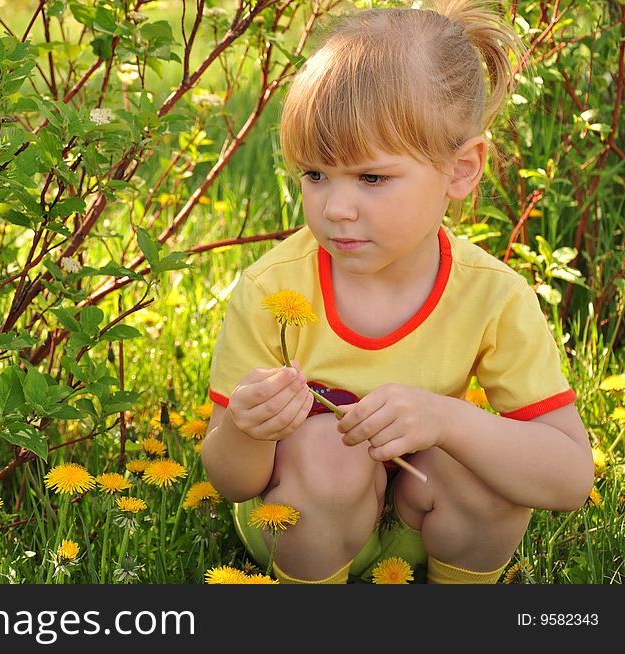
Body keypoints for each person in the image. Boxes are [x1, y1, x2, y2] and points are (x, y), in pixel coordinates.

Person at [200, 0, 594, 584]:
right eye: (315, 175)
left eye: (372, 178)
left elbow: (569, 478)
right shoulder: (272, 288)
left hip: (421, 525)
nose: (335, 208)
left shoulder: (492, 297)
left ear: (461, 170)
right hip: (298, 520)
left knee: (486, 463)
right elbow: (232, 480)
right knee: (327, 451)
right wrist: (245, 429)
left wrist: (447, 421)